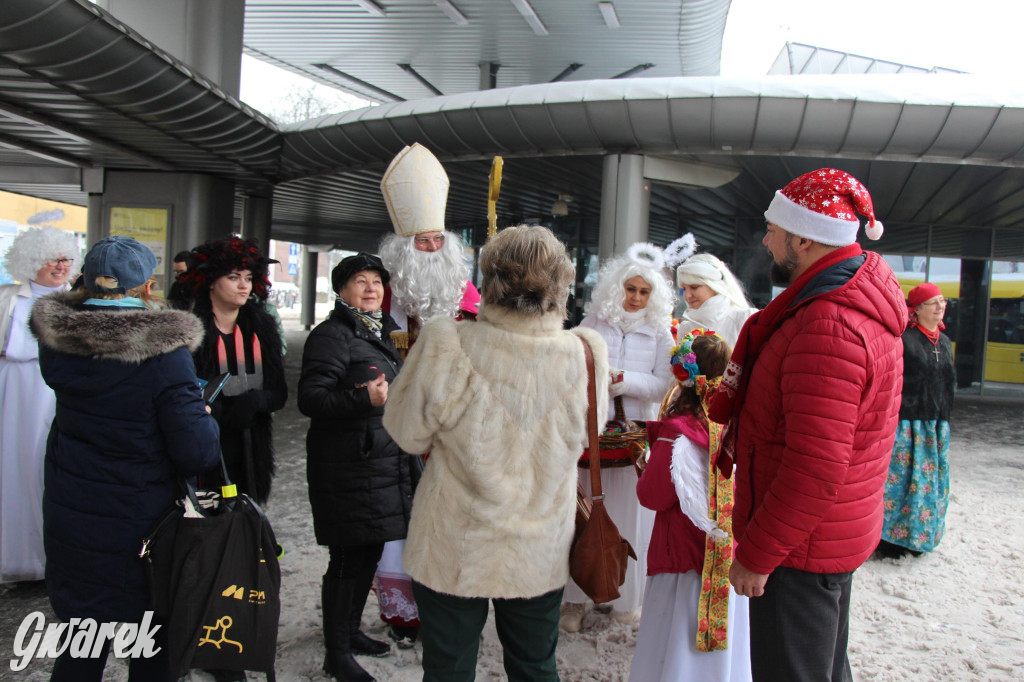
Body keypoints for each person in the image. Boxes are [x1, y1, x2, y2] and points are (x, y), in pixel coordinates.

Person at [383, 224, 610, 682]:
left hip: (453, 542)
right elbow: (589, 437)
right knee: (535, 667)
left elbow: (407, 434)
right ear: (562, 282)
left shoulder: (447, 340)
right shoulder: (586, 352)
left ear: (489, 279)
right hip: (539, 542)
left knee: (447, 670)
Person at [707, 168, 907, 682]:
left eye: (773, 228)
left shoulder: (827, 323)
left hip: (801, 550)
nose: (766, 238)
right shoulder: (835, 302)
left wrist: (758, 555)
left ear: (803, 237)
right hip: (822, 537)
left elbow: (814, 466)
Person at [29, 236, 220, 681]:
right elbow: (196, 450)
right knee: (152, 650)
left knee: (80, 645)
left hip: (72, 520)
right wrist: (202, 414)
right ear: (148, 287)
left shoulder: (57, 342)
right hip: (144, 531)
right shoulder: (165, 354)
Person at [373, 142, 479, 646]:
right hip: (398, 426)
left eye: (438, 240)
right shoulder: (381, 295)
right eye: (422, 242)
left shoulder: (468, 294)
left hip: (455, 429)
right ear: (402, 247)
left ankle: (451, 610)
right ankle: (404, 613)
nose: (432, 250)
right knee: (400, 516)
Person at [298, 253, 413, 682]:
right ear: (341, 290)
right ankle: (337, 653)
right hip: (346, 467)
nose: (371, 289)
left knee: (368, 550)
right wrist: (363, 399)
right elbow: (311, 399)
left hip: (377, 465)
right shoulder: (332, 335)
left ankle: (348, 632)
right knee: (347, 559)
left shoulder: (378, 331)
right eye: (360, 281)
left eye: (377, 282)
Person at [560, 242, 675, 631]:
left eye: (644, 292)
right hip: (588, 432)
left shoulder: (661, 332)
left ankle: (622, 596)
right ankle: (575, 598)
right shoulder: (592, 322)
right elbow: (570, 364)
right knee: (583, 515)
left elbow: (663, 383)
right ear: (616, 287)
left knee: (629, 516)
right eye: (631, 289)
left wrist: (624, 382)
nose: (636, 298)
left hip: (631, 437)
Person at [630, 330, 751, 682]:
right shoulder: (735, 424)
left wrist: (645, 464)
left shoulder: (677, 432)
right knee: (725, 643)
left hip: (682, 559)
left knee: (675, 641)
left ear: (682, 376)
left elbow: (653, 496)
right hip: (727, 556)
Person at [181, 236, 287, 504]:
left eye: (249, 278)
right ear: (211, 281)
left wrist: (254, 402)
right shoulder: (190, 332)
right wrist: (218, 411)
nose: (243, 285)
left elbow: (279, 392)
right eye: (233, 277)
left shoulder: (263, 329)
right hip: (205, 446)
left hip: (252, 448)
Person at [0, 227, 78, 585]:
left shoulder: (77, 301)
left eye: (65, 259)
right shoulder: (8, 300)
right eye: (53, 259)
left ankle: (56, 559)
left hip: (58, 395)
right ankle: (18, 557)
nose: (61, 266)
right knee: (13, 472)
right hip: (14, 396)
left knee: (53, 472)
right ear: (32, 261)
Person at [878, 282, 955, 558]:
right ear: (918, 309)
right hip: (907, 424)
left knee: (930, 482)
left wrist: (944, 421)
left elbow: (948, 385)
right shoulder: (904, 341)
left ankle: (920, 537)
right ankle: (891, 541)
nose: (940, 307)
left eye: (942, 301)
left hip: (935, 425)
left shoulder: (945, 343)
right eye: (933, 302)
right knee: (901, 482)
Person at [675, 247, 759, 348]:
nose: (687, 295)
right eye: (684, 289)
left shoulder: (744, 318)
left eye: (694, 287)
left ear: (714, 286)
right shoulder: (686, 328)